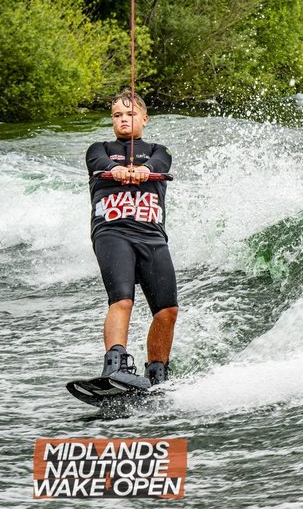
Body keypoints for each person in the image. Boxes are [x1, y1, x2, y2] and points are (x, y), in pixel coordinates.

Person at [85, 88, 178, 387]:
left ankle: (158, 372)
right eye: (117, 115)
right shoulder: (98, 147)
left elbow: (159, 166)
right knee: (122, 299)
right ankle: (115, 363)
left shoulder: (158, 151)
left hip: (151, 235)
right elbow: (100, 165)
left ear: (145, 118)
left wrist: (143, 170)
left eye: (130, 114)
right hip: (112, 230)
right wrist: (117, 171)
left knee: (167, 310)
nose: (123, 119)